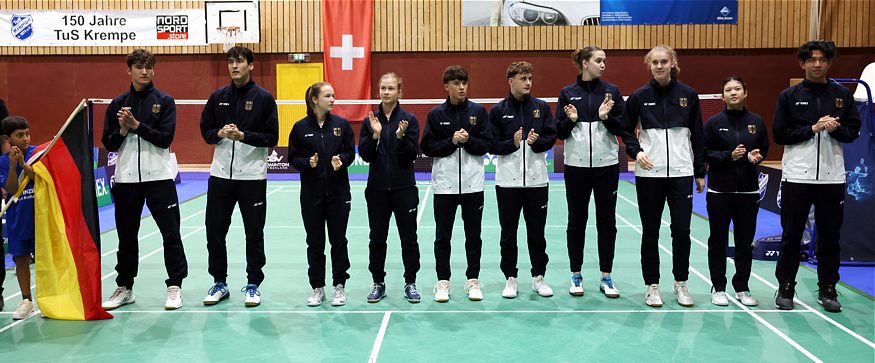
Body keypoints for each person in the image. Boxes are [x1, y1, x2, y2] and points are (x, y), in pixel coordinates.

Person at [773, 40, 860, 313]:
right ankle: (786, 287)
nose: (817, 64)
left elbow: (853, 132)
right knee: (791, 236)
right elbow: (780, 134)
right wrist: (812, 128)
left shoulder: (842, 96)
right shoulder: (788, 96)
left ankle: (828, 289)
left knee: (830, 237)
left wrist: (834, 129)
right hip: (797, 176)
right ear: (802, 63)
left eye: (822, 59)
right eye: (811, 60)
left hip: (832, 179)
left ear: (829, 62)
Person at [101, 49, 188, 310]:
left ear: (154, 70)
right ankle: (125, 287)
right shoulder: (117, 103)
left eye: (148, 66)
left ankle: (174, 286)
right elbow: (109, 143)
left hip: (159, 178)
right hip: (126, 180)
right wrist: (122, 130)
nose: (144, 71)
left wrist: (137, 126)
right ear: (129, 70)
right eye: (138, 67)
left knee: (171, 234)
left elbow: (165, 139)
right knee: (127, 237)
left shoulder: (165, 101)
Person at [623, 45, 705, 308]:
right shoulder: (638, 96)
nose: (659, 66)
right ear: (649, 65)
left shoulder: (688, 95)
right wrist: (636, 152)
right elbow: (625, 130)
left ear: (673, 63)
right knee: (650, 231)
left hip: (681, 173)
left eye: (663, 62)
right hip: (650, 175)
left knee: (682, 230)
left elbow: (698, 135)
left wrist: (700, 172)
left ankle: (681, 283)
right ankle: (652, 285)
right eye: (654, 62)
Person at [199, 46, 279, 308]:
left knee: (254, 233)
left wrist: (243, 136)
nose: (234, 66)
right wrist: (220, 133)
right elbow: (206, 130)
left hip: (252, 178)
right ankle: (219, 283)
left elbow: (272, 138)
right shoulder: (217, 97)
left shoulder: (264, 99)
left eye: (240, 61)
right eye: (231, 62)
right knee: (214, 232)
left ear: (250, 65)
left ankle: (253, 284)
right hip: (220, 176)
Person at [556, 46, 626, 298]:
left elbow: (623, 126)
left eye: (604, 61)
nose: (603, 64)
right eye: (598, 60)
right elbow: (559, 132)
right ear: (585, 63)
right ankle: (576, 275)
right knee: (576, 222)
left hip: (606, 166)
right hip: (576, 167)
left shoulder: (612, 92)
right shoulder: (567, 93)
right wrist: (571, 119)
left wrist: (606, 117)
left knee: (607, 222)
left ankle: (606, 277)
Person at [420, 65, 491, 302]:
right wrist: (452, 141)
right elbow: (427, 147)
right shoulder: (436, 115)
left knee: (474, 236)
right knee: (443, 237)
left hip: (473, 185)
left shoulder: (479, 112)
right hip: (444, 186)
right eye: (456, 83)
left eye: (464, 83)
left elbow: (486, 145)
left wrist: (468, 140)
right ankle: (443, 282)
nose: (462, 87)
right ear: (446, 86)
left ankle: (473, 280)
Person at [488, 61, 557, 299]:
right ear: (511, 81)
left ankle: (539, 277)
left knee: (537, 233)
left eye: (530, 78)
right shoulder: (498, 111)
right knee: (508, 234)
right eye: (523, 78)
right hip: (507, 183)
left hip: (537, 182)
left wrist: (536, 141)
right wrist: (513, 144)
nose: (528, 82)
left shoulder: (541, 107)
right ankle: (511, 278)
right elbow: (493, 144)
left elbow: (551, 136)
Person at [704, 76, 769, 307]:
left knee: (744, 242)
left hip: (748, 193)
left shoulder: (757, 122)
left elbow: (764, 149)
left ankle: (742, 286)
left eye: (737, 89)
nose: (733, 93)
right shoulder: (713, 123)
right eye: (728, 90)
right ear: (722, 96)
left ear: (745, 93)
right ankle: (718, 286)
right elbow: (705, 153)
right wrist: (727, 156)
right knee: (718, 240)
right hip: (720, 192)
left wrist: (756, 156)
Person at [288, 82, 355, 307]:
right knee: (315, 242)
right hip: (311, 195)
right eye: (328, 96)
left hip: (338, 193)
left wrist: (342, 160)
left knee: (338, 241)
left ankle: (339, 286)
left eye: (333, 95)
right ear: (315, 99)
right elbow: (292, 158)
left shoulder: (342, 125)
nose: (333, 99)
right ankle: (318, 288)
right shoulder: (299, 128)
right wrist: (308, 163)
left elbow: (349, 152)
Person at [359, 72, 422, 303]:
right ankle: (378, 282)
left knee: (409, 238)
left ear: (399, 92)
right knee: (377, 238)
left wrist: (400, 137)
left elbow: (411, 155)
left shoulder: (409, 120)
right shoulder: (370, 120)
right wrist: (375, 135)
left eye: (391, 88)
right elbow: (365, 155)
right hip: (376, 191)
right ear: (379, 91)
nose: (386, 92)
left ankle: (411, 282)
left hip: (404, 189)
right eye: (383, 88)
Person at [0, 116, 36, 319]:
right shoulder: (2, 162)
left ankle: (52, 298)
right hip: (17, 217)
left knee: (46, 258)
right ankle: (26, 301)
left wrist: (24, 164)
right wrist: (14, 166)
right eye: (20, 135)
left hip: (40, 215)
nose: (25, 139)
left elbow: (40, 179)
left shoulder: (37, 153)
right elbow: (12, 189)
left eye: (27, 134)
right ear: (8, 138)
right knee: (21, 259)